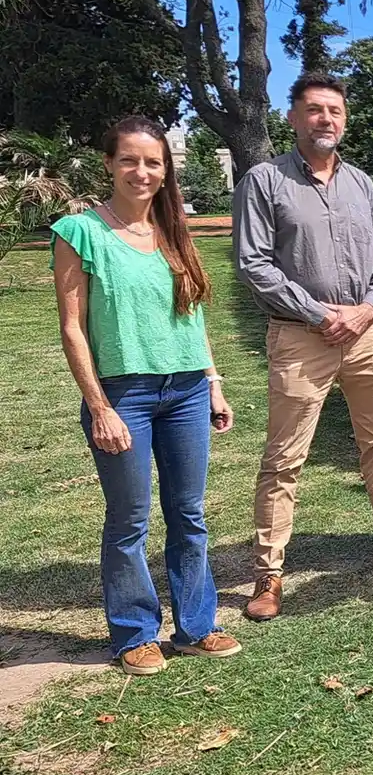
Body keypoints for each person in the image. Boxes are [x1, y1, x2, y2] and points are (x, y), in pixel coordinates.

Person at [233, 72, 373, 622]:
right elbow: (254, 264)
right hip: (300, 337)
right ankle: (269, 574)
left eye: (335, 111)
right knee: (284, 458)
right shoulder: (264, 181)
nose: (326, 120)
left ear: (345, 120)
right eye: (315, 109)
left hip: (368, 335)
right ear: (292, 117)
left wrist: (365, 310)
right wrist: (320, 314)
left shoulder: (362, 185)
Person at [52, 116, 241, 675]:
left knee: (190, 513)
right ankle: (134, 631)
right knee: (130, 518)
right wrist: (100, 407)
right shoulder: (79, 231)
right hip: (122, 393)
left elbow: (193, 313)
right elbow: (72, 327)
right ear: (108, 164)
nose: (142, 171)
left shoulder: (173, 229)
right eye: (130, 160)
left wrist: (213, 382)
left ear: (166, 170)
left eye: (153, 162)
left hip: (185, 389)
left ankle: (196, 626)